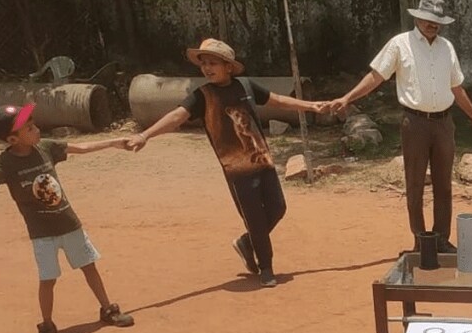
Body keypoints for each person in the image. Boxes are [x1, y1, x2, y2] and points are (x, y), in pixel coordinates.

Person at [126, 38, 326, 288]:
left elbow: (277, 100)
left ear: (229, 66)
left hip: (262, 159)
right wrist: (145, 135)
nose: (207, 68)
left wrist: (311, 106)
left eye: (213, 63)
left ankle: (246, 242)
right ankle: (266, 267)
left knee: (278, 208)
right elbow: (177, 116)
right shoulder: (202, 96)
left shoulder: (245, 85)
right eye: (204, 64)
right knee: (254, 217)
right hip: (237, 168)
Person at [0, 104, 135, 333]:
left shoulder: (46, 147)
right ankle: (47, 325)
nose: (37, 129)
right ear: (12, 139)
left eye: (34, 124)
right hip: (42, 234)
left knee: (89, 267)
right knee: (47, 280)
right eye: (30, 128)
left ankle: (107, 309)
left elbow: (80, 147)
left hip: (69, 224)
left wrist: (115, 142)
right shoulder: (5, 163)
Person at [328, 0, 472, 253]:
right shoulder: (399, 44)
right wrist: (348, 97)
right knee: (415, 183)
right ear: (417, 17)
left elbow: (457, 88)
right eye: (427, 19)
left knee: (443, 184)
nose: (432, 24)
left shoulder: (446, 47)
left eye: (437, 21)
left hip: (443, 124)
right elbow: (376, 76)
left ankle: (440, 239)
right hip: (415, 123)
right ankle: (420, 241)